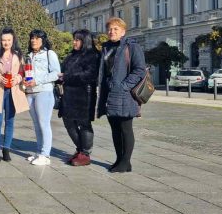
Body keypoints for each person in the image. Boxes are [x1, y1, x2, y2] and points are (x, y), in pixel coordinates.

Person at [97, 17, 146, 173]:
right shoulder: (106, 48)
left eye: (115, 29)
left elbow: (139, 70)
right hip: (108, 94)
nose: (112, 32)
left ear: (123, 31)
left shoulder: (132, 46)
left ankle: (126, 161)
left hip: (125, 94)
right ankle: (119, 159)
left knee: (125, 128)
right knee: (115, 129)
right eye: (110, 29)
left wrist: (124, 86)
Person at [58, 29, 99, 166]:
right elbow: (64, 71)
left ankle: (85, 153)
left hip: (84, 95)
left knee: (84, 123)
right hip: (68, 94)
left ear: (84, 41)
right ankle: (80, 149)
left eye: (77, 39)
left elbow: (89, 75)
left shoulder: (92, 55)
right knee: (68, 122)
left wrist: (67, 77)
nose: (74, 42)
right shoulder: (72, 55)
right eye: (74, 39)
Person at [0, 28, 29, 162]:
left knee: (10, 121)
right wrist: (0, 78)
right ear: (0, 41)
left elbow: (22, 73)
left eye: (9, 40)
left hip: (13, 91)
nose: (6, 43)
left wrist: (16, 79)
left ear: (13, 41)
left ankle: (6, 149)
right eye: (4, 40)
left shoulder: (18, 55)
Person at [23, 29, 60, 166]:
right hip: (30, 92)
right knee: (36, 124)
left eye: (37, 38)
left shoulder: (49, 54)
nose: (34, 40)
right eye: (32, 38)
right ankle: (39, 152)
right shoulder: (29, 55)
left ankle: (45, 154)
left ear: (43, 40)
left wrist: (37, 81)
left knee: (44, 123)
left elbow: (56, 73)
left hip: (44, 92)